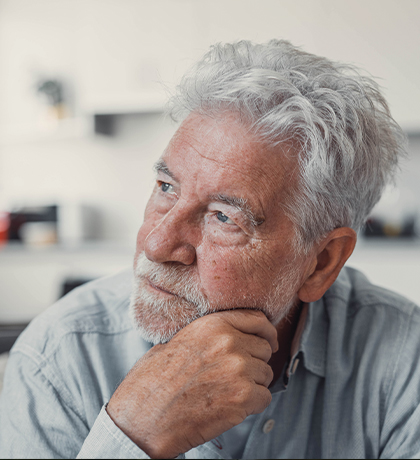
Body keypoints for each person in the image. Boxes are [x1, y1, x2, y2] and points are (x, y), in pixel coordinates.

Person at [0, 39, 419, 459]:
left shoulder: (404, 357)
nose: (155, 242)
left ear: (321, 264)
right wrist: (132, 437)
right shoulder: (58, 355)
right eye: (166, 188)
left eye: (224, 217)